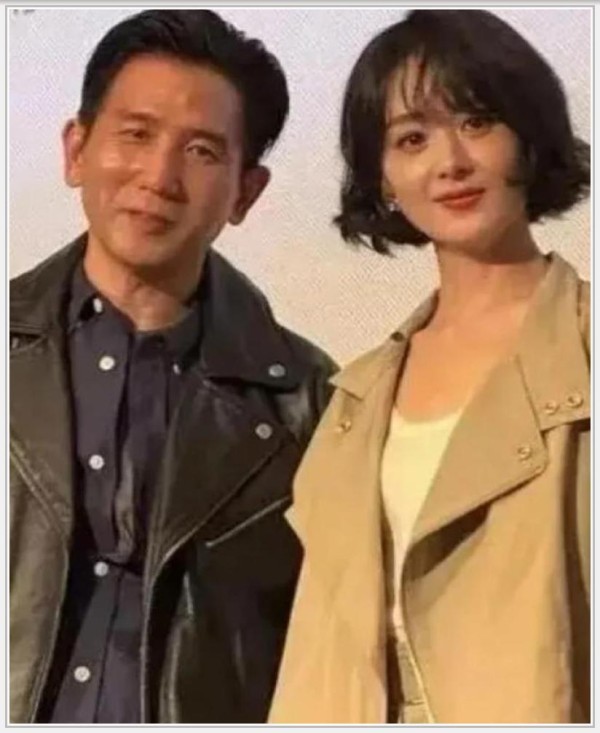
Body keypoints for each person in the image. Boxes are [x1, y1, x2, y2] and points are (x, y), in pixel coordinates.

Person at [10, 9, 336, 724]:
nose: (159, 176)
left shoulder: (311, 401)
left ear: (246, 192)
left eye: (201, 151)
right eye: (136, 133)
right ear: (76, 149)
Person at [269, 9, 590, 725]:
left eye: (477, 121)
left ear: (528, 137)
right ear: (383, 177)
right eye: (412, 138)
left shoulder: (584, 347)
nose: (450, 162)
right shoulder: (355, 396)